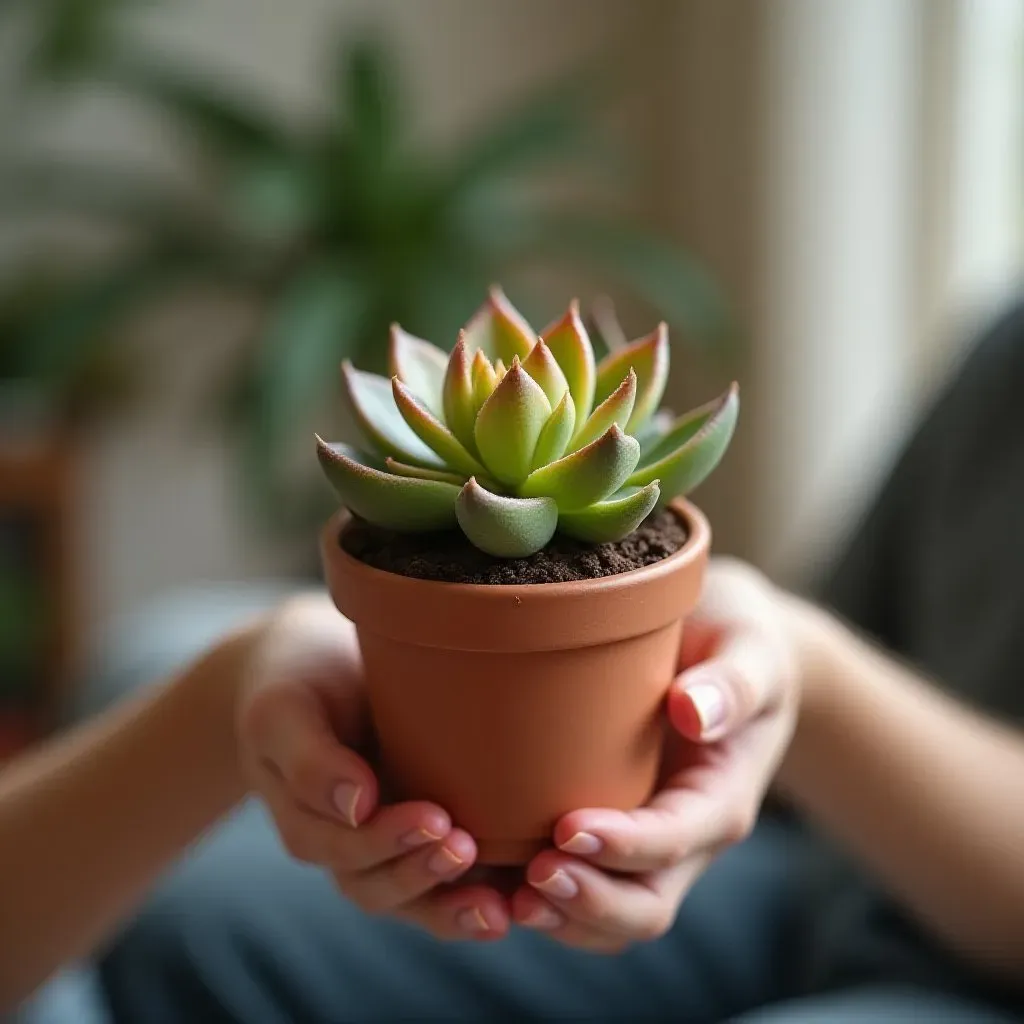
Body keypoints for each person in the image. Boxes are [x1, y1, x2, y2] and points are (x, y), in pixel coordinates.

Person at [7, 301, 1024, 1022]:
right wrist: (232, 686)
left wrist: (806, 677)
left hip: (975, 958)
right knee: (150, 667)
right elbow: (829, 620)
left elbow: (811, 660)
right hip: (815, 873)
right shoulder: (1005, 351)